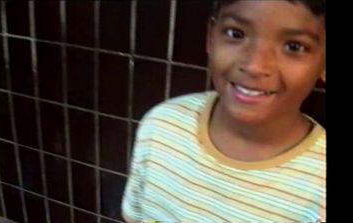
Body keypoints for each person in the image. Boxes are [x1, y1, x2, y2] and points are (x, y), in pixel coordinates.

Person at [122, 0, 326, 222]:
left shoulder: (319, 183)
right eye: (236, 33)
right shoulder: (162, 125)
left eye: (294, 47)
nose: (254, 65)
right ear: (210, 38)